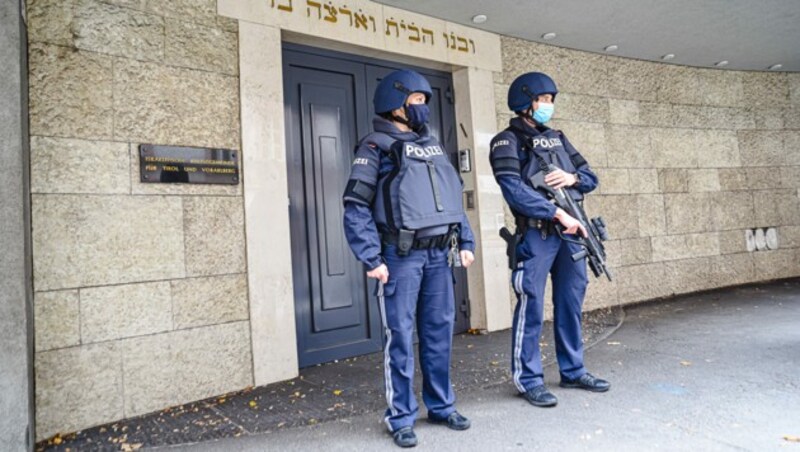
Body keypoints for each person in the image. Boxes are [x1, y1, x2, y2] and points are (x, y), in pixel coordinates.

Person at [342, 69, 476, 448]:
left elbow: (453, 199)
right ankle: (400, 416)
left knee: (438, 334)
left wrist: (466, 241)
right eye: (417, 101)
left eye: (424, 102)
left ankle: (441, 405)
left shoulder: (432, 148)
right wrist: (371, 258)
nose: (423, 109)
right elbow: (355, 206)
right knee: (399, 338)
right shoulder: (374, 146)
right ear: (395, 103)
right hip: (399, 258)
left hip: (438, 257)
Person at [489, 72, 610, 408]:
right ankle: (528, 379)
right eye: (543, 99)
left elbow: (590, 178)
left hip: (571, 235)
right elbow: (513, 190)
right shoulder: (506, 141)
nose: (548, 106)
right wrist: (556, 213)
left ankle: (573, 370)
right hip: (538, 233)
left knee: (571, 303)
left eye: (551, 100)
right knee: (531, 306)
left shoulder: (558, 138)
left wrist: (571, 177)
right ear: (525, 102)